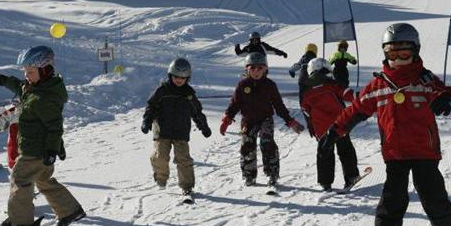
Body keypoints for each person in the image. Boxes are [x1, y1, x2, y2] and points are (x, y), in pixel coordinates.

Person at [319, 23, 451, 226]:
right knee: (392, 200)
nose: (398, 60)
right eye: (392, 54)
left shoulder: (425, 80)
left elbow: (448, 92)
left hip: (424, 151)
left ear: (415, 51)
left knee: (432, 195)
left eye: (403, 54)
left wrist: (447, 99)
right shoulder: (379, 84)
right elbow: (356, 110)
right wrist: (335, 130)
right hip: (395, 153)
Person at [0, 46, 86, 226]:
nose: (27, 76)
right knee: (42, 179)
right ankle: (70, 210)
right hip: (36, 147)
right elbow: (22, 88)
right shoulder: (36, 88)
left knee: (20, 179)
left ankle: (20, 221)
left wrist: (51, 150)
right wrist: (6, 81)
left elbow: (54, 127)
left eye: (30, 72)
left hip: (36, 150)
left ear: (45, 70)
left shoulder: (44, 98)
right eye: (26, 72)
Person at [220, 52, 304, 187]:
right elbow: (235, 104)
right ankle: (249, 175)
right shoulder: (242, 85)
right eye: (252, 68)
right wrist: (227, 119)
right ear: (246, 69)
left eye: (260, 68)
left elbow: (278, 105)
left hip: (265, 119)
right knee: (247, 145)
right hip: (248, 120)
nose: (256, 71)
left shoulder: (270, 85)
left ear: (266, 68)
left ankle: (272, 174)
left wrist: (289, 120)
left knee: (267, 143)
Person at [141, 57, 212, 198]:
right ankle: (161, 177)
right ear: (170, 75)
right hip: (162, 131)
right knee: (160, 157)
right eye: (176, 77)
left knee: (184, 159)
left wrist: (203, 126)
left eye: (183, 78)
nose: (179, 80)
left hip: (181, 132)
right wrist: (147, 121)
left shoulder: (189, 95)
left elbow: (197, 112)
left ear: (187, 78)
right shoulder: (162, 91)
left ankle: (187, 187)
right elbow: (151, 107)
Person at [300, 58, 360, 192]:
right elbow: (346, 94)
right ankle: (352, 176)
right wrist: (357, 96)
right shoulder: (331, 85)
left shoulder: (307, 92)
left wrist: (312, 127)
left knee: (324, 153)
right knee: (346, 151)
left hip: (321, 129)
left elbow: (306, 110)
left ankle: (325, 182)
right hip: (339, 125)